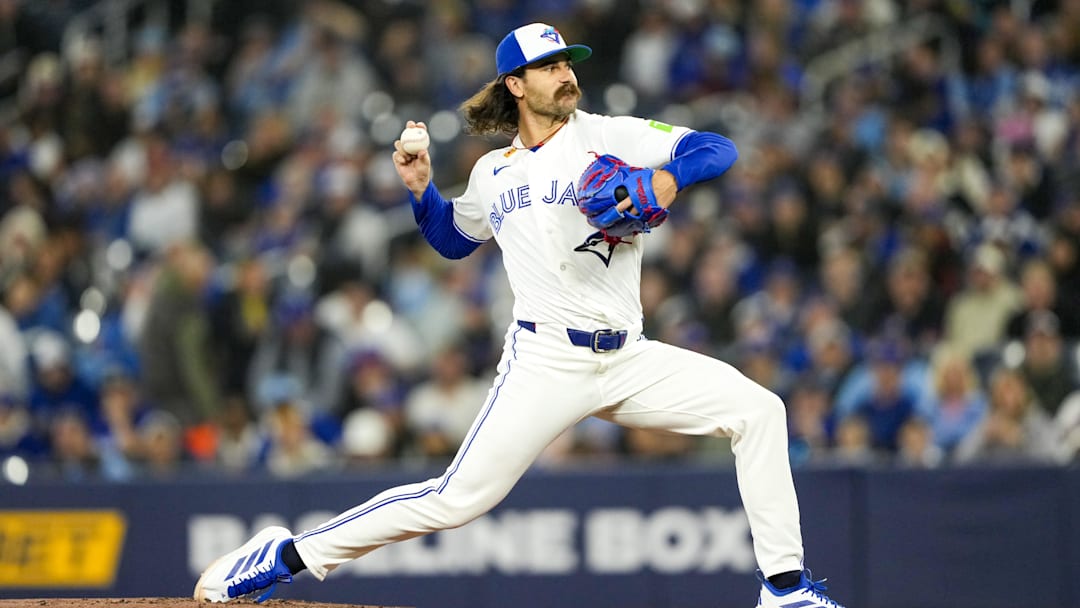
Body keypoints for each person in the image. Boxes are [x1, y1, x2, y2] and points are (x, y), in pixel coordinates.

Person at [194, 23, 846, 608]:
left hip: (628, 356)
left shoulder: (606, 134)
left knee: (760, 411)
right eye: (550, 66)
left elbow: (716, 147)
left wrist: (667, 180)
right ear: (515, 84)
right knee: (455, 500)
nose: (567, 74)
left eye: (568, 62)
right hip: (545, 361)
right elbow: (453, 240)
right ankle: (286, 556)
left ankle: (783, 590)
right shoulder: (491, 173)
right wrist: (423, 192)